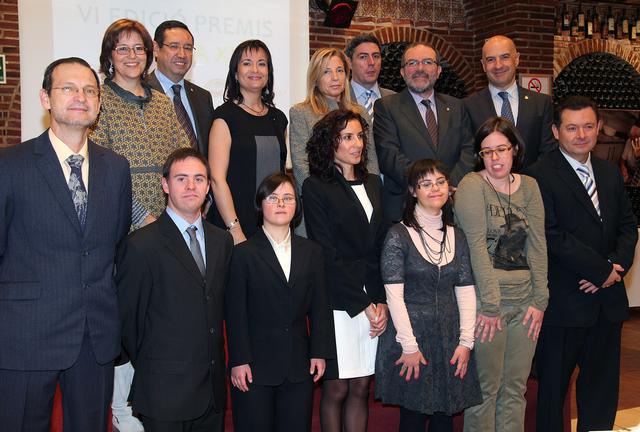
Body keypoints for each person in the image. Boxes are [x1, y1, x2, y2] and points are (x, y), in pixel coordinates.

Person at [0, 57, 132, 431]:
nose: (80, 97)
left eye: (89, 90)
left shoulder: (116, 167)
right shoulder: (10, 164)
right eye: (68, 88)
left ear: (99, 103)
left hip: (94, 335)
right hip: (26, 333)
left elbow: (115, 244)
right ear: (45, 98)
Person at [89, 18, 190, 431]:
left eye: (139, 48)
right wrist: (141, 217)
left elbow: (183, 159)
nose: (132, 56)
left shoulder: (163, 103)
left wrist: (178, 214)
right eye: (122, 48)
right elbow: (98, 170)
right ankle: (126, 417)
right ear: (109, 56)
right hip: (123, 235)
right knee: (126, 329)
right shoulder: (99, 102)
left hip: (167, 230)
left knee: (160, 324)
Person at [527, 96, 637, 432]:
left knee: (601, 394)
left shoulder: (609, 172)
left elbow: (627, 226)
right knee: (552, 397)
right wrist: (600, 271)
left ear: (599, 128)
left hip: (607, 304)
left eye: (588, 126)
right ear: (556, 131)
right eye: (572, 128)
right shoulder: (538, 175)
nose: (581, 135)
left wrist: (612, 268)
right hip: (564, 304)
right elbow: (551, 234)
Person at [116, 148, 233, 431]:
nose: (191, 186)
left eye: (199, 179)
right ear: (165, 185)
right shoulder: (141, 245)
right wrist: (157, 366)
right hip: (163, 393)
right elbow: (128, 323)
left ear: (208, 186)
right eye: (181, 179)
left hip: (212, 392)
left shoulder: (222, 241)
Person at [454, 117, 548, 432]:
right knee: (486, 391)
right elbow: (475, 247)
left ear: (514, 149)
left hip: (526, 305)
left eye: (502, 149)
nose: (495, 158)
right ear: (480, 155)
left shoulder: (530, 186)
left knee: (515, 389)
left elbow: (538, 245)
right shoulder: (472, 186)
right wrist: (491, 305)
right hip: (487, 305)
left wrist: (540, 300)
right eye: (487, 151)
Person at [375, 159, 482, 432]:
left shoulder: (457, 235)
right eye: (426, 184)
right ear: (413, 191)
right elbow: (394, 297)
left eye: (440, 182)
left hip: (450, 338)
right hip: (411, 338)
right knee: (412, 418)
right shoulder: (398, 235)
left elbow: (466, 291)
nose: (435, 189)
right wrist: (409, 346)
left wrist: (466, 342)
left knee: (445, 419)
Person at [226, 173, 333, 432]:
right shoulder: (242, 254)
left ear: (297, 206)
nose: (281, 204)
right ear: (260, 204)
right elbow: (235, 312)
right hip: (253, 366)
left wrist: (319, 352)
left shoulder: (312, 252)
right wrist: (239, 360)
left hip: (298, 365)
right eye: (273, 198)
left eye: (288, 198)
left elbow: (320, 307)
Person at [302, 109, 388, 432]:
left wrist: (380, 300)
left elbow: (381, 247)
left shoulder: (373, 183)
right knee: (337, 388)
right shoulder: (315, 186)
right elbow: (326, 253)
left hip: (372, 296)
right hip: (338, 299)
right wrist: (363, 303)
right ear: (330, 143)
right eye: (347, 137)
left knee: (361, 387)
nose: (357, 144)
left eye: (360, 136)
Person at [374, 42, 475, 224]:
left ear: (438, 70)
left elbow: (468, 150)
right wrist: (426, 185)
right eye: (412, 63)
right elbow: (388, 154)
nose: (420, 68)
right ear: (402, 72)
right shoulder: (386, 107)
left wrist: (447, 185)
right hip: (405, 207)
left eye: (427, 62)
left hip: (453, 206)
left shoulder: (457, 106)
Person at [208, 39, 288, 244]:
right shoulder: (225, 116)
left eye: (262, 63)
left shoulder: (279, 119)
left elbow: (280, 175)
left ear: (268, 72)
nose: (255, 69)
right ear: (235, 73)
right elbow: (217, 179)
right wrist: (235, 229)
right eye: (247, 63)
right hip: (234, 226)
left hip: (272, 225)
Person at [290, 47, 380, 200]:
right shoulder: (301, 112)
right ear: (315, 78)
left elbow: (370, 161)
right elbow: (301, 165)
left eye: (340, 70)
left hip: (360, 195)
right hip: (321, 200)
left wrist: (372, 194)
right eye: (326, 72)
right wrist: (323, 196)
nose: (335, 77)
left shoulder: (360, 112)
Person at [463, 35, 556, 167]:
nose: (498, 65)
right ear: (483, 65)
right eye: (490, 59)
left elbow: (548, 152)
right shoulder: (468, 106)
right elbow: (468, 154)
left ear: (516, 59)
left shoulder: (541, 103)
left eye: (505, 57)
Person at [146, 20, 215, 159]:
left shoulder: (203, 97)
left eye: (188, 48)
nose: (182, 54)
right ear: (156, 49)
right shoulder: (141, 91)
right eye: (174, 46)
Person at [345, 34, 394, 117]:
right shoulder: (338, 99)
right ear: (349, 63)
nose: (371, 62)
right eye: (363, 57)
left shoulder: (394, 99)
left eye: (376, 56)